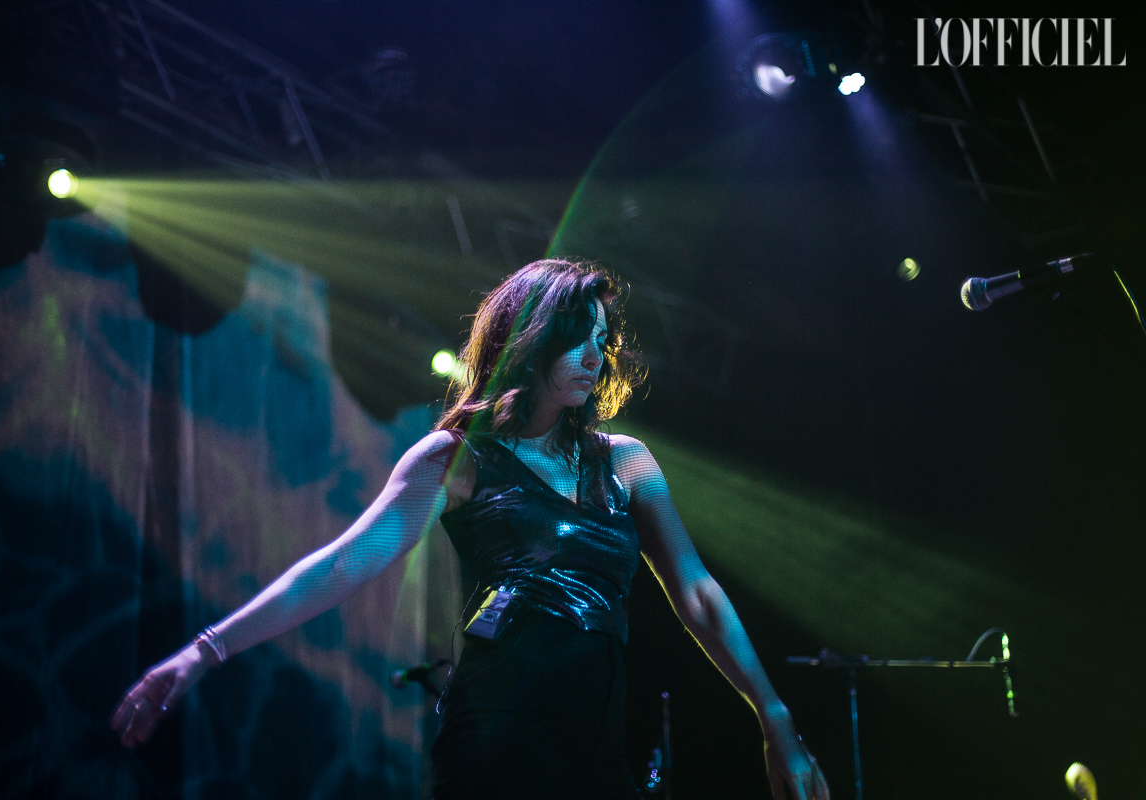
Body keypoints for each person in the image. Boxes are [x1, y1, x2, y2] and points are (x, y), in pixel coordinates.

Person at [113, 259, 829, 800]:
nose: (595, 357)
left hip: (600, 737)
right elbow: (343, 564)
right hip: (499, 732)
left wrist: (777, 722)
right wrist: (204, 651)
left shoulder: (626, 463)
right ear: (534, 336)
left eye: (603, 341)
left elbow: (698, 595)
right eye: (580, 338)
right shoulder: (457, 460)